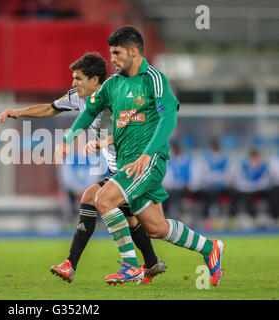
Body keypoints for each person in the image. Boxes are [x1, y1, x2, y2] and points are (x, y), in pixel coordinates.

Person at [54, 25, 225, 286]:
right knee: (156, 228)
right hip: (127, 165)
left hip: (147, 162)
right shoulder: (113, 84)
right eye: (111, 53)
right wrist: (67, 139)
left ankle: (131, 265)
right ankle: (209, 248)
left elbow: (168, 116)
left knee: (102, 199)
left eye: (117, 53)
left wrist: (147, 154)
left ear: (134, 51)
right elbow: (89, 112)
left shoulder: (153, 79)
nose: (112, 59)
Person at [0, 52, 167, 285]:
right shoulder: (79, 97)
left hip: (132, 165)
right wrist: (19, 112)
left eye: (78, 78)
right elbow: (51, 108)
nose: (73, 83)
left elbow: (129, 129)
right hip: (117, 167)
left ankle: (82, 264)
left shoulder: (116, 95)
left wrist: (102, 143)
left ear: (95, 80)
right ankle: (151, 262)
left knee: (103, 203)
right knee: (133, 220)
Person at [231, 148, 271, 226]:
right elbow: (239, 180)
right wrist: (250, 186)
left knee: (271, 193)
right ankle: (242, 216)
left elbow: (266, 180)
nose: (258, 159)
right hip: (246, 189)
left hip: (259, 189)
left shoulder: (263, 166)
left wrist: (255, 186)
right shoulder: (242, 165)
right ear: (251, 157)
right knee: (241, 195)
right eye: (256, 157)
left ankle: (267, 216)